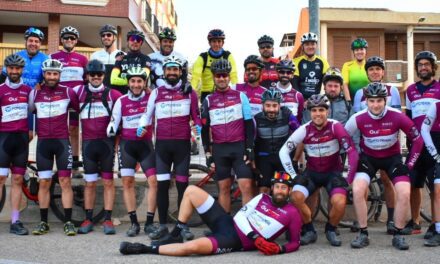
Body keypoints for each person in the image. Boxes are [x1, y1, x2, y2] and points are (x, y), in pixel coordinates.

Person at [119, 172, 301, 256]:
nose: (279, 190)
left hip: (235, 241)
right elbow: (239, 217)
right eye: (276, 186)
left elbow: (294, 242)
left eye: (283, 188)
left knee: (192, 248)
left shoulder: (293, 213)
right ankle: (176, 234)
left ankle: (144, 249)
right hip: (229, 223)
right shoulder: (262, 197)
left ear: (289, 190)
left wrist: (280, 249)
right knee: (191, 191)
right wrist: (254, 236)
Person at [345, 82, 423, 250]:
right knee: (358, 190)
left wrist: (409, 163)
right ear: (366, 101)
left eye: (379, 100)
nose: (375, 105)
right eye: (372, 101)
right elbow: (344, 138)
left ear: (385, 100)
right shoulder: (358, 118)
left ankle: (398, 233)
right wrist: (352, 157)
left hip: (392, 158)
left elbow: (418, 139)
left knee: (404, 191)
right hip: (369, 158)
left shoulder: (397, 116)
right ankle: (363, 233)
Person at [279, 94, 358, 247]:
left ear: (327, 112)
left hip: (332, 173)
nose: (318, 114)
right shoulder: (304, 129)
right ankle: (309, 230)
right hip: (312, 173)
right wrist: (294, 176)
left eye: (321, 110)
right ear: (310, 112)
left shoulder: (336, 126)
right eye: (314, 110)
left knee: (340, 202)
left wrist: (347, 179)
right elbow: (283, 152)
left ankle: (331, 229)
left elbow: (352, 152)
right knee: (295, 197)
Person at [137, 55, 201, 241]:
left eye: (175, 69)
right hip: (163, 147)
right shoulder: (156, 93)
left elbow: (196, 117)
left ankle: (183, 226)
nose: (172, 72)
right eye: (169, 69)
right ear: (164, 72)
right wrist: (142, 125)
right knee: (162, 187)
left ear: (180, 72)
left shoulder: (190, 92)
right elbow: (147, 115)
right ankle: (163, 225)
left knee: (183, 187)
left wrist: (198, 126)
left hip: (182, 146)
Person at [28, 59, 80, 236]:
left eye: (55, 74)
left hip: (62, 143)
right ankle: (43, 222)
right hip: (43, 143)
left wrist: (74, 129)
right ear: (44, 74)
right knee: (44, 182)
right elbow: (30, 111)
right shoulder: (35, 94)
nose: (52, 77)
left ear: (59, 75)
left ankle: (68, 222)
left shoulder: (68, 92)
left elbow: (78, 111)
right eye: (49, 73)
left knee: (65, 182)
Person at [73, 60, 122, 235]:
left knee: (108, 182)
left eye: (99, 74)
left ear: (103, 76)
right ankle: (88, 218)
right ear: (87, 76)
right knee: (90, 183)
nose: (95, 77)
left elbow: (132, 99)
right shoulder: (79, 92)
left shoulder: (113, 94)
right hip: (88, 145)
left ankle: (108, 220)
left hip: (106, 144)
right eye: (92, 74)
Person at [352, 56, 400, 234]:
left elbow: (396, 120)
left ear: (383, 72)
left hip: (388, 147)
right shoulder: (360, 93)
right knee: (362, 183)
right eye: (371, 69)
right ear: (367, 73)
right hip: (367, 146)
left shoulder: (392, 90)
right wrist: (356, 147)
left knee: (388, 181)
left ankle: (391, 219)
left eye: (378, 69)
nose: (374, 72)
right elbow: (357, 122)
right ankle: (361, 219)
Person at [106, 67, 156, 237]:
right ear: (128, 83)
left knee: (154, 182)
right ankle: (134, 223)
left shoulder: (151, 98)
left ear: (144, 83)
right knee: (127, 182)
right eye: (133, 81)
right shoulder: (121, 101)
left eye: (139, 81)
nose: (136, 84)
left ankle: (149, 223)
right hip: (127, 146)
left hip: (146, 146)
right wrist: (111, 128)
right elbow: (114, 121)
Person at [201, 59, 254, 213]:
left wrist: (249, 147)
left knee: (246, 186)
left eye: (224, 75)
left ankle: (246, 227)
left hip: (239, 148)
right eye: (218, 76)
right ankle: (225, 228)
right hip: (220, 150)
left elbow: (249, 123)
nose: (222, 78)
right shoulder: (208, 100)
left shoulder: (240, 96)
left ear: (229, 77)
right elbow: (205, 129)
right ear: (213, 77)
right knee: (223, 188)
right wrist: (207, 152)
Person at [405, 51, 440, 237]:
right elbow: (409, 118)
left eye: (427, 64)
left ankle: (436, 223)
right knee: (413, 184)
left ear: (433, 67)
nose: (423, 67)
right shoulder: (410, 90)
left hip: (436, 140)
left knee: (436, 185)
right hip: (416, 142)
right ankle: (415, 222)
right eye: (420, 65)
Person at [0, 54, 32, 235]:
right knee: (0, 179)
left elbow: (32, 112)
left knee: (18, 180)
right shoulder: (0, 90)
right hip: (3, 139)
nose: (14, 71)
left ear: (22, 70)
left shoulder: (28, 90)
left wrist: (31, 131)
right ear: (6, 69)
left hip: (21, 140)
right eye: (11, 68)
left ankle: (15, 221)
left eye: (17, 68)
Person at [50, 26, 88, 178]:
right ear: (61, 40)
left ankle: (75, 161)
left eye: (72, 38)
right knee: (59, 130)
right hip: (59, 98)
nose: (69, 40)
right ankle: (60, 160)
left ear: (76, 41)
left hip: (76, 98)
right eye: (66, 37)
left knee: (74, 129)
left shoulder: (82, 59)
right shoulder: (52, 56)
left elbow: (87, 79)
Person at [1, 27, 49, 141]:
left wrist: (41, 86)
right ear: (26, 42)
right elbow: (3, 77)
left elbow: (50, 79)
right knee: (12, 131)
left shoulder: (45, 58)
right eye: (30, 40)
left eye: (36, 41)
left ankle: (19, 156)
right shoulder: (17, 56)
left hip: (34, 101)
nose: (33, 43)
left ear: (40, 44)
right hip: (16, 99)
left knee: (30, 134)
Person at [254, 89, 299, 194]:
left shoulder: (288, 116)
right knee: (263, 188)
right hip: (264, 157)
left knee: (284, 188)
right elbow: (251, 142)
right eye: (268, 105)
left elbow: (300, 136)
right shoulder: (256, 119)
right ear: (262, 105)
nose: (271, 109)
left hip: (283, 158)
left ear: (279, 105)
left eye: (274, 106)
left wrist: (296, 159)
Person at [191, 29, 238, 102]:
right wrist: (191, 91)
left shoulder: (227, 55)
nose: (216, 44)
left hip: (224, 90)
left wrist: (237, 91)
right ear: (209, 43)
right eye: (214, 41)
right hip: (207, 92)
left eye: (219, 41)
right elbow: (196, 76)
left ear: (223, 43)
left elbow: (233, 74)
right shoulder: (203, 57)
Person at [293, 32, 330, 123]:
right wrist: (302, 101)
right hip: (301, 100)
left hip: (316, 100)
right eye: (307, 44)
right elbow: (294, 83)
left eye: (313, 44)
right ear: (303, 46)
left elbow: (327, 82)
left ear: (316, 45)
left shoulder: (322, 61)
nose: (310, 47)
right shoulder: (296, 61)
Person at [420, 101, 440, 246]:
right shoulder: (436, 106)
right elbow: (424, 129)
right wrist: (434, 153)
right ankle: (438, 231)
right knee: (438, 191)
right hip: (439, 157)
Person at [110, 29, 151, 95]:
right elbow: (113, 80)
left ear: (141, 43)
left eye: (138, 39)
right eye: (132, 39)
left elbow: (144, 76)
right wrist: (135, 81)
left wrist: (123, 81)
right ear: (128, 41)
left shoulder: (146, 59)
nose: (135, 41)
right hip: (121, 96)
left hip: (139, 96)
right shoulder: (120, 58)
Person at [341, 38, 370, 102]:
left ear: (365, 51)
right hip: (352, 100)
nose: (359, 52)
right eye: (356, 50)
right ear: (353, 52)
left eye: (362, 49)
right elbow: (344, 84)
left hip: (369, 101)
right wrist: (348, 101)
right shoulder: (347, 65)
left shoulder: (370, 65)